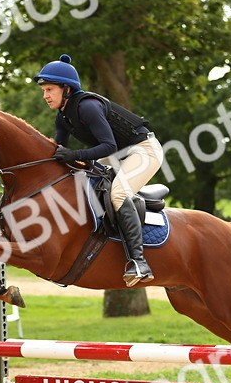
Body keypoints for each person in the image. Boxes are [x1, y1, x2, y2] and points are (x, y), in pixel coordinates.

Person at [33, 54, 164, 286]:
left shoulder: (88, 107)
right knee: (82, 186)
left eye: (50, 89)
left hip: (142, 150)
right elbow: (58, 150)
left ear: (67, 89)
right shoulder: (63, 116)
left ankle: (139, 262)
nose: (45, 95)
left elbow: (108, 146)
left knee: (119, 193)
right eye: (44, 90)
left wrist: (75, 155)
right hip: (117, 155)